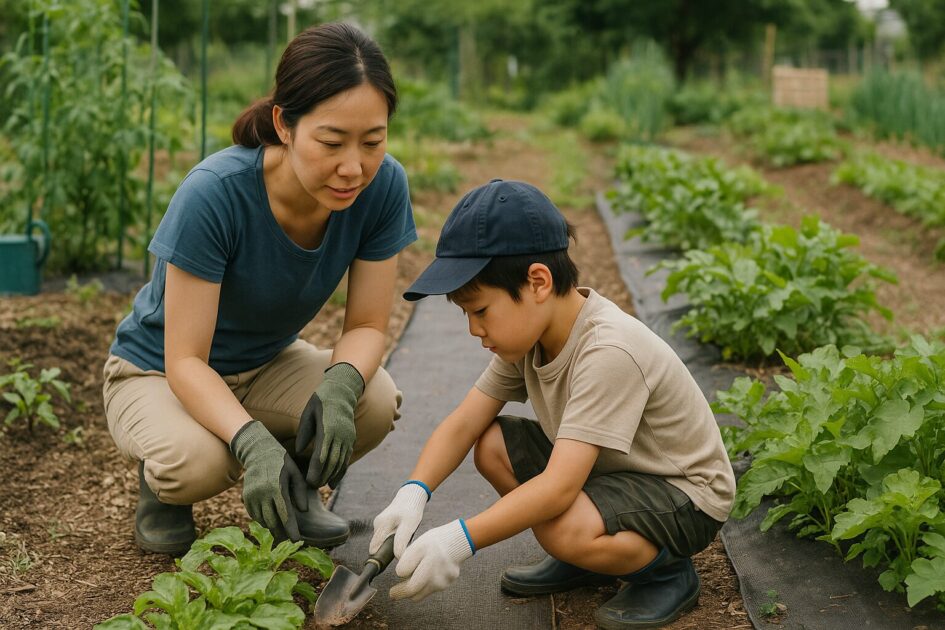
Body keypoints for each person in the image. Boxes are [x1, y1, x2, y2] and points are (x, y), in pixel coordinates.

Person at [101, 23, 416, 556]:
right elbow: (185, 361)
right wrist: (249, 442)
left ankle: (293, 484)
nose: (353, 167)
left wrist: (340, 386)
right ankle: (163, 494)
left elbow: (364, 325)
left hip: (266, 363)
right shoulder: (215, 194)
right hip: (159, 371)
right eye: (332, 142)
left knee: (374, 399)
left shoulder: (382, 186)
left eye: (373, 141)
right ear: (284, 125)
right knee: (196, 462)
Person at [369, 179, 735, 628]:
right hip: (610, 470)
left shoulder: (609, 351)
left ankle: (666, 574)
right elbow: (466, 421)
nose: (473, 329)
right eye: (465, 314)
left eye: (480, 310)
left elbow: (560, 488)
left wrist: (460, 539)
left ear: (538, 281)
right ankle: (588, 559)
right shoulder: (528, 338)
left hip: (680, 491)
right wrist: (414, 492)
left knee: (564, 525)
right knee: (491, 443)